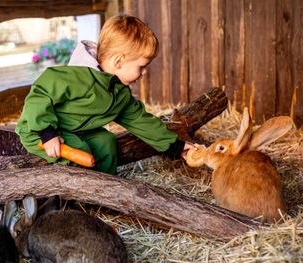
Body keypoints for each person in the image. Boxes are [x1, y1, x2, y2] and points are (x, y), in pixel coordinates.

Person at [15, 15, 196, 175]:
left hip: (77, 131)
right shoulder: (80, 77)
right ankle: (78, 200)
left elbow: (142, 122)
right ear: (118, 61)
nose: (143, 73)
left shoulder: (119, 93)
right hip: (39, 130)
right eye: (141, 67)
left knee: (106, 142)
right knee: (80, 150)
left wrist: (176, 146)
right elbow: (40, 93)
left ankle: (107, 189)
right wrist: (47, 133)